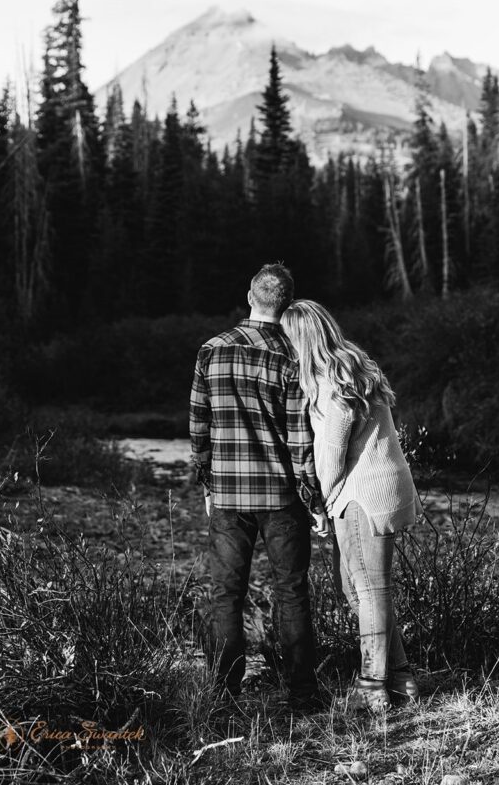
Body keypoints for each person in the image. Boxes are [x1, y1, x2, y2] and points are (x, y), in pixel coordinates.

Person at [189, 263, 328, 712]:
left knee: (226, 594)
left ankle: (224, 695)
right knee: (292, 591)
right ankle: (303, 694)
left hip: (228, 495)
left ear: (250, 295)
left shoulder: (211, 349)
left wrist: (207, 483)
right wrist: (312, 499)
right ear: (287, 302)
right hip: (282, 497)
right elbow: (300, 440)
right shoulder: (292, 356)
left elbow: (199, 429)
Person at [281, 299, 422, 713]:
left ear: (301, 338)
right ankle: (400, 677)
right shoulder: (357, 365)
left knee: (370, 589)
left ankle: (371, 685)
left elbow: (330, 454)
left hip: (361, 495)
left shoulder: (329, 382)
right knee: (360, 588)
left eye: (287, 339)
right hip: (385, 486)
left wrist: (318, 504)